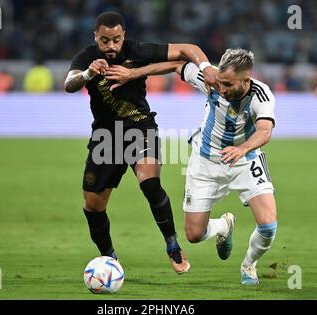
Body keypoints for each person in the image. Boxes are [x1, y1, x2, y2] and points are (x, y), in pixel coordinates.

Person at [106, 48, 277, 285]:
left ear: (246, 80)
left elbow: (265, 131)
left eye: (228, 84)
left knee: (268, 225)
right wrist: (133, 73)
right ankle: (223, 226)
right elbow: (177, 64)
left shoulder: (261, 95)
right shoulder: (213, 79)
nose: (222, 89)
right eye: (220, 82)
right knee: (194, 235)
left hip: (244, 161)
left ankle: (248, 265)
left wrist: (242, 149)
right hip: (205, 162)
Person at [64, 11, 217, 274]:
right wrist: (89, 73)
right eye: (104, 41)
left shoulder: (138, 51)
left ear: (123, 35)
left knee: (150, 183)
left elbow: (188, 50)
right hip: (106, 138)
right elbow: (69, 84)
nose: (111, 46)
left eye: (116, 40)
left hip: (139, 129)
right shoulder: (87, 57)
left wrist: (206, 68)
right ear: (95, 37)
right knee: (93, 206)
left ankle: (172, 245)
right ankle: (110, 261)